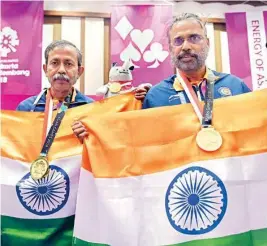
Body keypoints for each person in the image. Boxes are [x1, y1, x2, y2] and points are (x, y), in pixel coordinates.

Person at [16, 40, 148, 142]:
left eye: (68, 64)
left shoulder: (91, 108)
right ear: (45, 69)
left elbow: (108, 142)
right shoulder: (27, 108)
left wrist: (139, 101)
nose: (61, 70)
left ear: (79, 71)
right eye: (55, 63)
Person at [142, 13, 251, 109]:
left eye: (194, 38)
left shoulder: (235, 86)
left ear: (207, 43)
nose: (186, 46)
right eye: (178, 40)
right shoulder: (155, 96)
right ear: (170, 49)